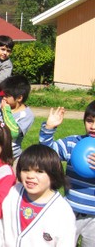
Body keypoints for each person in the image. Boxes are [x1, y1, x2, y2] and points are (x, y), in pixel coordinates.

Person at [0, 144, 77, 246]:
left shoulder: (62, 212)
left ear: (53, 175)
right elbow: (0, 227)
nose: (30, 176)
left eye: (39, 171)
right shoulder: (14, 193)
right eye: (26, 170)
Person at [39, 101, 95, 246]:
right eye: (89, 121)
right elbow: (47, 153)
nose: (93, 126)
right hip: (69, 211)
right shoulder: (73, 143)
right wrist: (49, 128)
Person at [0, 57, 34, 161]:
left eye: (7, 95)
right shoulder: (2, 101)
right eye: (3, 94)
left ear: (19, 98)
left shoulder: (27, 115)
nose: (3, 97)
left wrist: (6, 111)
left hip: (10, 157)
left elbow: (13, 133)